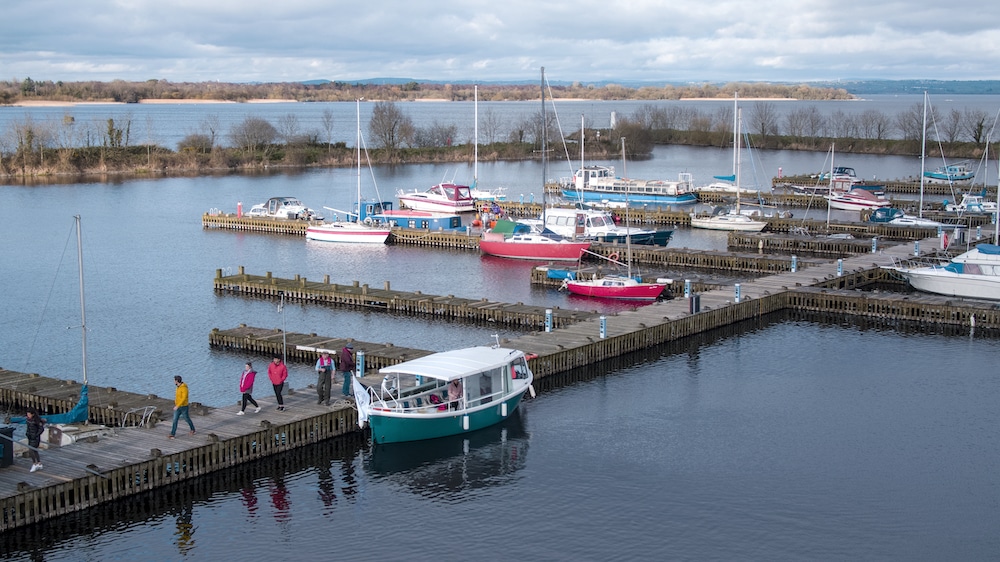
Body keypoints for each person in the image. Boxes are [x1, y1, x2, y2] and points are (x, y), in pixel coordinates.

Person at [24, 407, 45, 472]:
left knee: (31, 450)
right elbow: (28, 428)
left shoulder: (37, 420)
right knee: (35, 450)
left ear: (32, 414)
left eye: (29, 414)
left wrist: (36, 435)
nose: (28, 415)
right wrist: (27, 434)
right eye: (27, 414)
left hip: (35, 438)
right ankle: (39, 463)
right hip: (30, 437)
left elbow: (41, 429)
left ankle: (34, 464)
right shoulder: (28, 420)